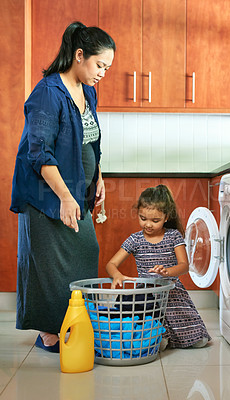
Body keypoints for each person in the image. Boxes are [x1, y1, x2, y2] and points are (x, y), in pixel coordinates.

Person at [10, 21, 116, 352]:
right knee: (47, 261)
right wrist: (66, 197)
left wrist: (98, 175)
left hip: (75, 192)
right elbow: (38, 153)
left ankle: (71, 322)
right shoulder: (47, 93)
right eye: (100, 65)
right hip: (45, 195)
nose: (102, 73)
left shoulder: (89, 92)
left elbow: (90, 139)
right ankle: (49, 334)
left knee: (86, 251)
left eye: (107, 67)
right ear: (79, 55)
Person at [106, 184, 211, 350]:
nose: (148, 224)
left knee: (199, 341)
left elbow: (184, 265)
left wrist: (167, 271)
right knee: (145, 316)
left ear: (166, 217)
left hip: (171, 289)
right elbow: (111, 264)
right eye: (143, 218)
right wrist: (116, 274)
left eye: (155, 221)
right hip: (147, 293)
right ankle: (158, 337)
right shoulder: (135, 239)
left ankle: (177, 336)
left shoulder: (173, 236)